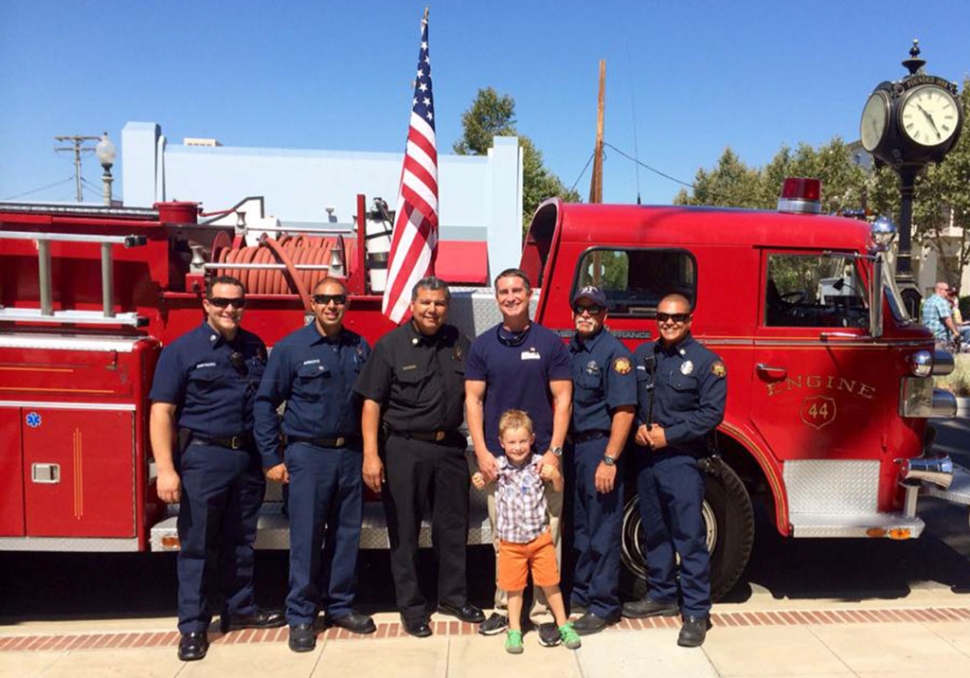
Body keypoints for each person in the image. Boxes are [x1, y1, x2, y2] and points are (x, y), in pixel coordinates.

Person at [149, 275, 284, 662]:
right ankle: (193, 626)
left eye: (237, 303)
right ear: (206, 304)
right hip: (204, 460)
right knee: (198, 545)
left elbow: (264, 405)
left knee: (241, 540)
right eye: (222, 302)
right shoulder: (181, 351)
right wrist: (167, 470)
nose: (230, 309)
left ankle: (240, 608)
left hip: (246, 458)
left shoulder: (255, 347)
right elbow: (162, 412)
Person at [353, 276, 485, 637]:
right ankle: (411, 608)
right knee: (405, 530)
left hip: (449, 449)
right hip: (403, 449)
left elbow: (478, 391)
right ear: (412, 305)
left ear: (447, 307)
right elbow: (371, 404)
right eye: (426, 303)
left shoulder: (459, 342)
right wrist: (370, 455)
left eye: (440, 303)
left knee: (452, 529)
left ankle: (453, 598)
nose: (432, 309)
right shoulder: (390, 346)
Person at [253, 277, 375, 653]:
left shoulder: (359, 347)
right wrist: (272, 457)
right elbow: (264, 403)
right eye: (324, 299)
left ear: (347, 303)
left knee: (346, 535)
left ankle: (339, 606)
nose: (331, 306)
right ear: (313, 303)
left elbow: (372, 402)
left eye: (338, 299)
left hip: (350, 454)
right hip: (307, 454)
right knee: (306, 537)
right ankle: (302, 615)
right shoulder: (291, 349)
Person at [465, 268, 572, 643]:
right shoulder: (482, 346)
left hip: (541, 461)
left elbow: (563, 400)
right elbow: (473, 401)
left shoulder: (550, 343)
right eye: (503, 292)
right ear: (496, 298)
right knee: (503, 540)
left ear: (530, 296)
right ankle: (502, 609)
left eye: (517, 291)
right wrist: (481, 451)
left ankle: (543, 614)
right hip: (500, 463)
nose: (510, 297)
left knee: (547, 540)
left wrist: (554, 453)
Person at [621, 293, 726, 648]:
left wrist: (670, 435)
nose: (669, 322)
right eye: (663, 316)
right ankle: (662, 594)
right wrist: (636, 425)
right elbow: (630, 400)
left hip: (682, 460)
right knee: (655, 531)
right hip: (647, 460)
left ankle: (697, 611)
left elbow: (711, 414)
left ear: (690, 320)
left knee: (689, 536)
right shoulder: (643, 356)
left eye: (677, 317)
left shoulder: (707, 363)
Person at [472, 410, 581, 654]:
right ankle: (514, 631)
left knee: (551, 583)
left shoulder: (539, 463)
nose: (518, 447)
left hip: (539, 540)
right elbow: (482, 479)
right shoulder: (498, 466)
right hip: (510, 543)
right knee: (514, 587)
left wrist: (555, 477)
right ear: (502, 443)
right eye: (511, 442)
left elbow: (558, 486)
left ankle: (564, 625)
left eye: (523, 441)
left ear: (532, 439)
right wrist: (479, 479)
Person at [565, 286, 636, 635]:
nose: (586, 315)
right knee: (580, 529)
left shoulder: (614, 354)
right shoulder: (572, 349)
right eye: (581, 308)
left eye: (593, 309)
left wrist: (609, 459)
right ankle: (581, 594)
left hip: (599, 448)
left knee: (602, 530)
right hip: (575, 449)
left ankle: (604, 604)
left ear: (605, 315)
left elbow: (624, 411)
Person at [922, 281, 961, 348]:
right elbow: (946, 318)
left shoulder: (928, 301)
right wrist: (955, 332)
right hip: (940, 337)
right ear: (939, 290)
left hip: (928, 335)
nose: (948, 292)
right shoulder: (941, 302)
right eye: (946, 290)